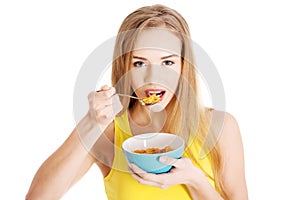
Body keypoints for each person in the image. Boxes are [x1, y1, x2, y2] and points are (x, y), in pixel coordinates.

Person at [26, 4, 248, 200]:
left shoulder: (220, 127)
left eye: (167, 62)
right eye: (140, 63)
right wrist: (91, 124)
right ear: (125, 68)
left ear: (183, 66)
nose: (153, 78)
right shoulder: (110, 131)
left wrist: (195, 181)